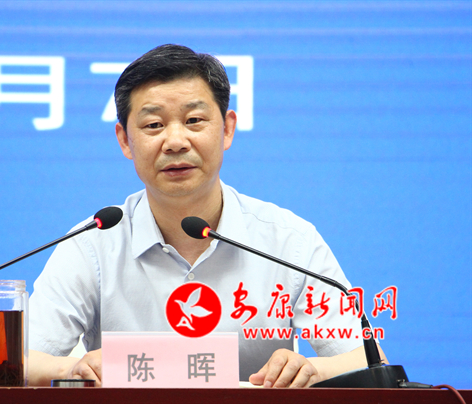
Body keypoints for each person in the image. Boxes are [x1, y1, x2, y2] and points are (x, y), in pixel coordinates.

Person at [28, 44, 386, 387]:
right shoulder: (92, 244)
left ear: (227, 128)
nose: (175, 141)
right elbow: (22, 360)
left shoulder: (288, 241)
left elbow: (369, 359)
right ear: (124, 140)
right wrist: (72, 367)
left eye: (194, 120)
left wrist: (312, 369)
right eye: (153, 125)